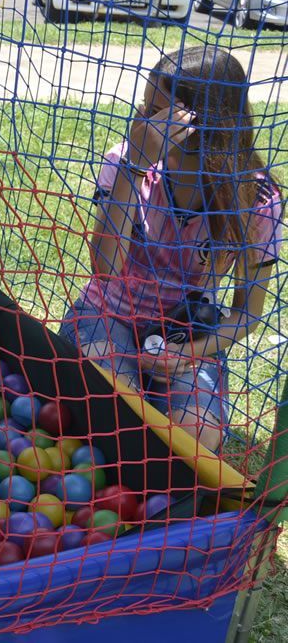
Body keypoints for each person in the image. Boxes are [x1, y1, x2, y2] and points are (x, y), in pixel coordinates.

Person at [60, 46, 283, 452]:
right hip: (108, 315)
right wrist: (134, 167)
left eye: (154, 111)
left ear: (198, 122)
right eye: (143, 107)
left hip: (186, 330)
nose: (140, 121)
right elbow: (104, 267)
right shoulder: (125, 161)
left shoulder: (255, 197)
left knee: (198, 438)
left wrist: (187, 353)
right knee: (110, 411)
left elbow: (248, 313)